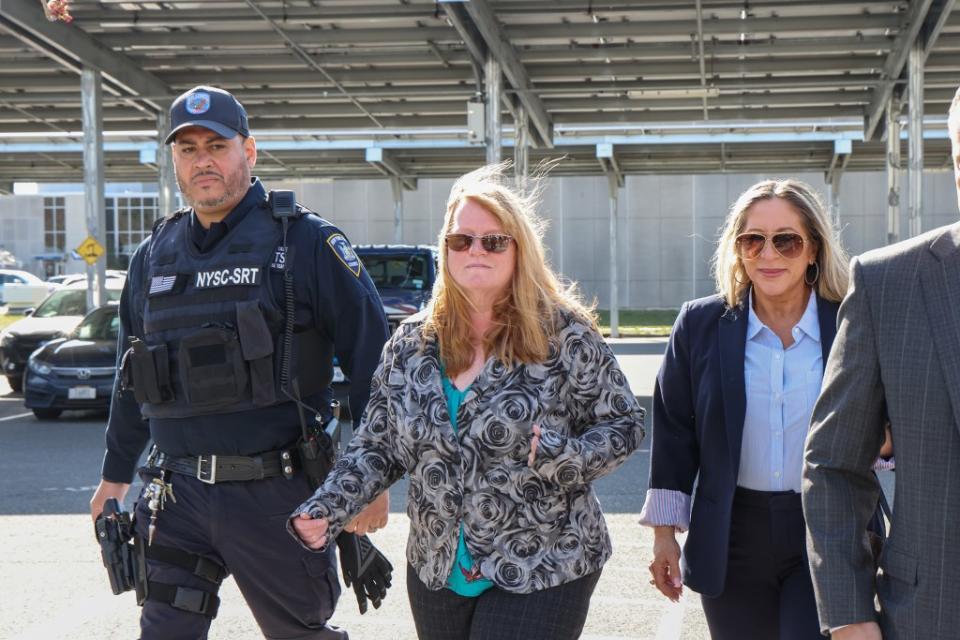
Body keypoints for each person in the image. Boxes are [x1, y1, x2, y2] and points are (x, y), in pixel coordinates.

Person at [289, 162, 645, 640]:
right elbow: (377, 445)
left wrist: (570, 457)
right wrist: (328, 507)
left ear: (519, 249)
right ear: (446, 249)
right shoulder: (411, 344)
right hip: (438, 569)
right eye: (462, 240)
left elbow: (623, 422)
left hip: (543, 561)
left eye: (493, 240)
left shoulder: (564, 334)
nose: (476, 250)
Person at [88, 86, 393, 640]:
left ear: (248, 152)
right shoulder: (153, 254)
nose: (202, 159)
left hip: (276, 494)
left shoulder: (305, 241)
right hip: (176, 494)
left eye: (217, 145)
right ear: (174, 160)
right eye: (187, 149)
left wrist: (368, 479)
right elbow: (132, 376)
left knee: (299, 633)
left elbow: (373, 363)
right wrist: (114, 475)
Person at [640, 179, 851, 639]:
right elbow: (675, 432)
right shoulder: (699, 324)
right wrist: (663, 536)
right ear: (738, 250)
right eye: (753, 240)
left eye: (787, 241)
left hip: (827, 530)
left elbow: (883, 417)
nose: (768, 254)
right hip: (732, 534)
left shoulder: (851, 321)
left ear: (813, 249)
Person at [802, 87, 960, 639]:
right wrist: (849, 616)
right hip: (934, 616)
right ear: (956, 162)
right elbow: (834, 465)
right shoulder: (890, 283)